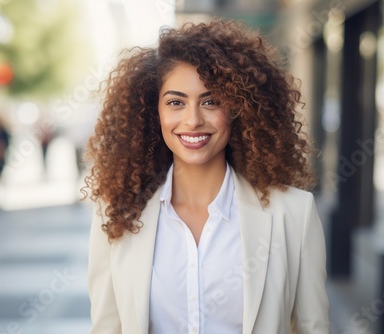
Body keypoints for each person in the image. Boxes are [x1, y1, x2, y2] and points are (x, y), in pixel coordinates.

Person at [83, 19, 329, 334]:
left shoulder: (293, 213)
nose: (193, 120)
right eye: (175, 103)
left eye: (211, 102)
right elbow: (107, 328)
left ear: (239, 108)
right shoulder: (117, 212)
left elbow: (314, 328)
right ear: (152, 112)